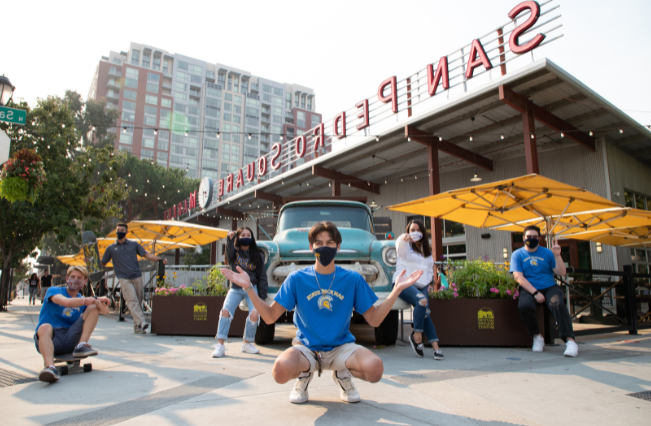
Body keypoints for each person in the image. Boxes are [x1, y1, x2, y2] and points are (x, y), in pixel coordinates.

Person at [223, 221, 423, 404]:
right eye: (318, 243)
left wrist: (396, 290)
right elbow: (269, 316)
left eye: (329, 242)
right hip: (306, 348)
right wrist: (249, 288)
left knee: (375, 370)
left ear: (338, 246)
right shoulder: (296, 279)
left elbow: (375, 319)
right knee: (279, 372)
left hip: (342, 348)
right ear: (311, 247)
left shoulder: (352, 279)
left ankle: (341, 375)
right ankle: (304, 373)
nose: (324, 246)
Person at [34, 265, 111, 383]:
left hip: (70, 337)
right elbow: (66, 302)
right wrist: (95, 298)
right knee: (44, 327)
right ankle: (50, 368)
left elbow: (105, 311)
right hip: (50, 338)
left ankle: (81, 346)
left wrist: (96, 301)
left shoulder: (82, 299)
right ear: (66, 279)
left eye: (79, 278)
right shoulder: (54, 291)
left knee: (93, 308)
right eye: (73, 277)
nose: (75, 280)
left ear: (85, 282)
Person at [510, 225, 578, 357]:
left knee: (557, 304)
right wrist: (535, 292)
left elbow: (561, 272)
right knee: (524, 306)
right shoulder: (517, 254)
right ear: (523, 238)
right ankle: (537, 336)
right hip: (529, 288)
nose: (531, 239)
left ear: (539, 238)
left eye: (534, 237)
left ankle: (570, 341)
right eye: (528, 237)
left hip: (549, 287)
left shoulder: (547, 253)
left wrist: (557, 256)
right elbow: (518, 277)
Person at [100, 223, 167, 334]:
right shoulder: (111, 248)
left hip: (137, 275)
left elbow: (146, 255)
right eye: (118, 230)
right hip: (123, 277)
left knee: (138, 300)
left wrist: (159, 259)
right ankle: (142, 322)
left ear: (126, 232)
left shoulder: (134, 245)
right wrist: (91, 262)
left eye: (122, 230)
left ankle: (138, 327)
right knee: (132, 300)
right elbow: (103, 263)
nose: (119, 232)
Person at [212, 227, 268, 358]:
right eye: (243, 235)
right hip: (235, 288)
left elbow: (262, 276)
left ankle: (247, 343)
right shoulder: (234, 253)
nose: (246, 236)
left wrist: (263, 296)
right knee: (225, 311)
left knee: (255, 314)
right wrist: (229, 239)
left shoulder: (257, 255)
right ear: (238, 237)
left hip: (251, 287)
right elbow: (228, 252)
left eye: (249, 234)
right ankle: (220, 345)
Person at [394, 220, 444, 360]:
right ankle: (417, 336)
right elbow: (399, 248)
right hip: (403, 283)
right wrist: (403, 238)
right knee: (422, 301)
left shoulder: (427, 254)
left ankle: (436, 348)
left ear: (422, 233)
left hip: (421, 285)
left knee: (426, 312)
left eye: (417, 230)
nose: (414, 232)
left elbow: (429, 273)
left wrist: (424, 283)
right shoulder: (405, 247)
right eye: (412, 230)